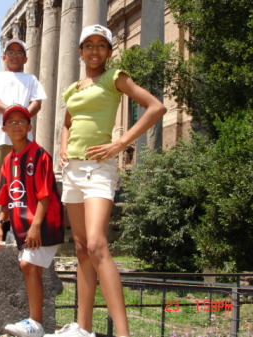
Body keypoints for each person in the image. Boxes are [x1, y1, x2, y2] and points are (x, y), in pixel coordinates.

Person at [46, 25, 167, 337]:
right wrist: (62, 147)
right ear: (80, 52)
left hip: (99, 169)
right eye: (89, 45)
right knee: (82, 248)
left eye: (102, 45)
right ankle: (83, 328)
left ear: (110, 52)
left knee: (98, 244)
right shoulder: (72, 89)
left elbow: (156, 107)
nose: (95, 51)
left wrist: (120, 143)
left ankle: (123, 335)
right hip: (72, 171)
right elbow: (68, 123)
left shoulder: (116, 78)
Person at [0, 105, 65, 337]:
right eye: (11, 122)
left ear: (29, 126)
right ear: (4, 129)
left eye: (21, 121)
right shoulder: (7, 161)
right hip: (22, 227)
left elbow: (45, 194)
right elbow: (5, 198)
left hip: (43, 224)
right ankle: (36, 324)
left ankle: (35, 324)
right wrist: (0, 224)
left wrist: (36, 226)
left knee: (28, 267)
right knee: (31, 270)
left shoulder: (39, 154)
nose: (16, 125)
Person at [0, 38, 47, 240]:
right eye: (11, 52)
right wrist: (12, 111)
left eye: (19, 52)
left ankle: (10, 226)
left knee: (17, 184)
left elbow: (37, 103)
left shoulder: (31, 79)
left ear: (25, 58)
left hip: (22, 141)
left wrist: (22, 116)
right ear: (4, 56)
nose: (15, 55)